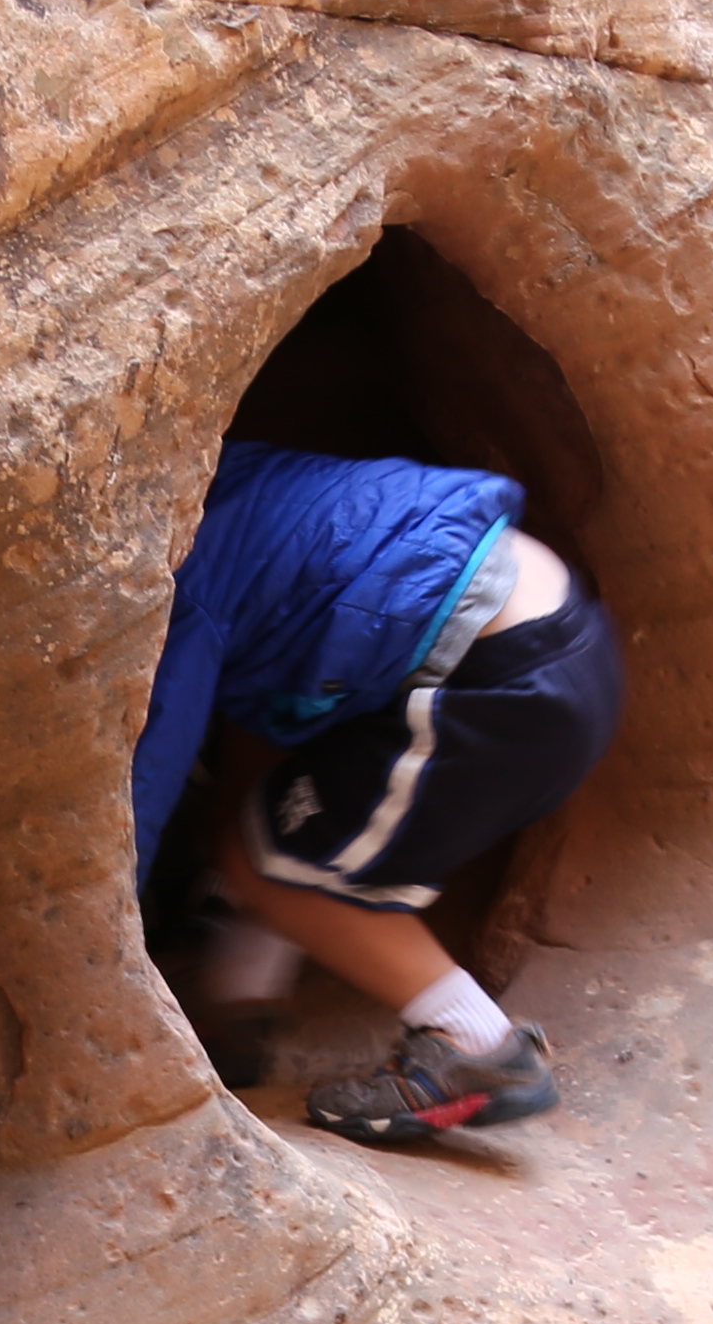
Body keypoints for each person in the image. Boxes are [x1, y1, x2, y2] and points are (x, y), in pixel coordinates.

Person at [129, 436, 627, 1147]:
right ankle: (237, 1009)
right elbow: (257, 727)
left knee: (271, 864)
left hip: (494, 671)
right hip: (551, 646)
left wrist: (99, 949)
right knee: (287, 836)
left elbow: (149, 770)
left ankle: (477, 1048)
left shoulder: (177, 570)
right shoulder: (227, 484)